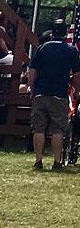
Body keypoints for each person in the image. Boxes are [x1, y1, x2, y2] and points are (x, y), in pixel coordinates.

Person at [29, 20, 80, 170]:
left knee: (38, 129)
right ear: (65, 33)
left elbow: (32, 72)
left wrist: (33, 89)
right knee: (57, 130)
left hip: (41, 93)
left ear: (52, 32)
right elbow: (77, 75)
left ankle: (38, 161)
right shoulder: (71, 51)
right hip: (59, 94)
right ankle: (57, 162)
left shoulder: (42, 49)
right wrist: (77, 90)